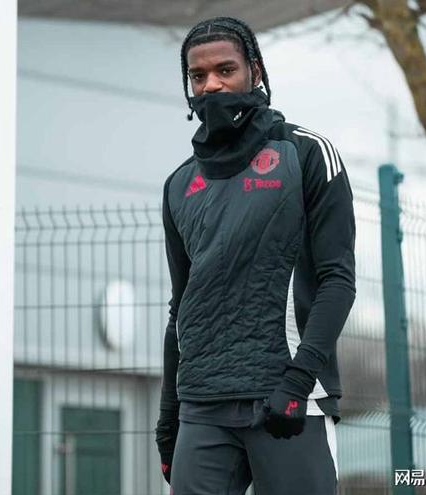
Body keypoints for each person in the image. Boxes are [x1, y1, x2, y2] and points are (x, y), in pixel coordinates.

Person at [155, 16, 356, 495]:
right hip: (202, 404)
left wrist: (299, 381)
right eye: (198, 76)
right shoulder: (179, 184)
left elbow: (337, 280)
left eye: (225, 70)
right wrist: (168, 419)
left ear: (255, 71)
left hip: (286, 397)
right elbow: (182, 307)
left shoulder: (307, 154)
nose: (211, 85)